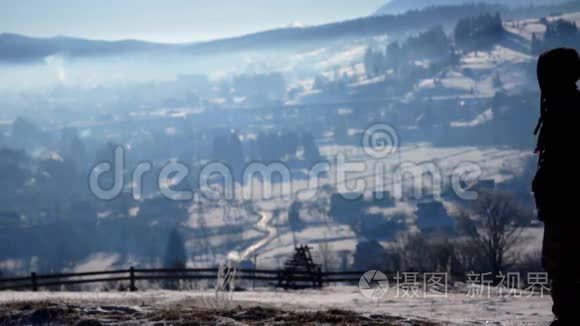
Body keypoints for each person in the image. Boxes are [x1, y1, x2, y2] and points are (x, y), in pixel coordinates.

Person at [532, 47, 580, 325]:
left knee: (563, 267)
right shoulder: (565, 106)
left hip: (566, 208)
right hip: (564, 206)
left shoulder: (562, 110)